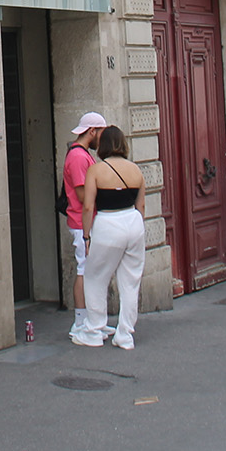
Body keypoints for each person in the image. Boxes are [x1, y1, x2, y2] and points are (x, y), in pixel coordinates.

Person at [77, 127, 147, 349]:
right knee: (130, 281)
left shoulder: (96, 171)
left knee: (95, 277)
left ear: (104, 145)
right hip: (133, 222)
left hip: (108, 224)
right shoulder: (136, 170)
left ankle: (94, 330)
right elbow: (141, 205)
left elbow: (88, 207)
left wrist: (86, 236)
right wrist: (137, 228)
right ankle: (125, 334)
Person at [63, 112, 110, 344]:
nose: (102, 138)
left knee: (89, 270)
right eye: (100, 133)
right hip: (82, 222)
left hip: (84, 221)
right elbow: (83, 195)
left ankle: (90, 320)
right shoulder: (80, 157)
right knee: (84, 270)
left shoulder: (81, 155)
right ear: (92, 131)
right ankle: (81, 322)